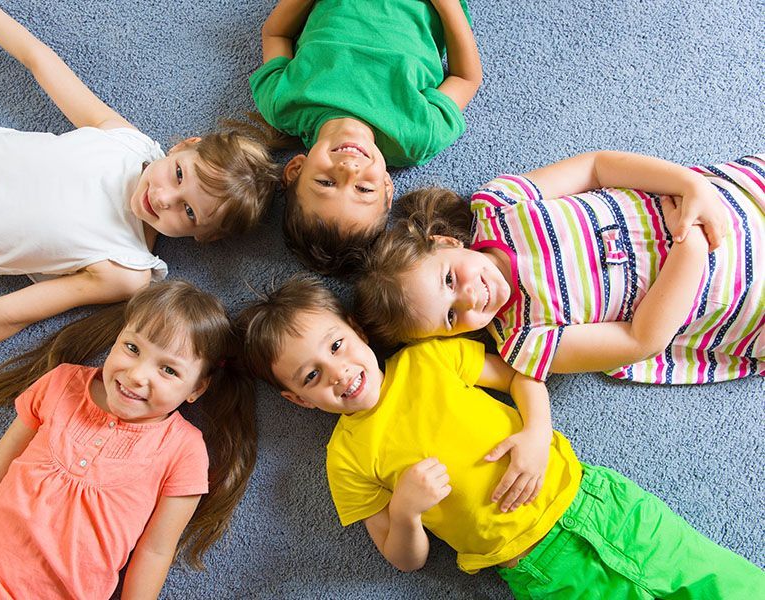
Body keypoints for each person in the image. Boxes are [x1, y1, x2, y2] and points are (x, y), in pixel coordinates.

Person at [237, 275, 765, 598]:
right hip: (538, 566)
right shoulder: (346, 459)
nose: (337, 373)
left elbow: (521, 373)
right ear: (299, 401)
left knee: (720, 580)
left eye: (336, 346)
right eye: (310, 377)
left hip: (596, 501)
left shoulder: (428, 358)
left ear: (355, 330)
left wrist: (537, 433)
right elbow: (403, 560)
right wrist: (405, 511)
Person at [0, 0, 280, 395]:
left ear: (203, 237)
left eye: (188, 212)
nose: (164, 198)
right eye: (178, 175)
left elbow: (11, 314)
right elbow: (40, 62)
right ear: (183, 146)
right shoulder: (127, 143)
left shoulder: (125, 267)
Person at [0, 280, 257, 599]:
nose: (138, 374)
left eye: (169, 370)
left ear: (196, 389)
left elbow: (155, 552)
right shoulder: (62, 383)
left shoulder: (184, 450)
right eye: (132, 348)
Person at [355, 151, 764, 384]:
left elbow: (597, 167)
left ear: (444, 242)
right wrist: (689, 246)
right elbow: (641, 340)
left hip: (728, 202)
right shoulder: (524, 341)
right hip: (736, 294)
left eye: (448, 279)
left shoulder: (499, 206)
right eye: (450, 317)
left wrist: (690, 186)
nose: (469, 298)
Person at [250, 0, 482, 275]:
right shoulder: (417, 134)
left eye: (326, 182)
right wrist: (448, 5)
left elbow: (276, 34)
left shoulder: (284, 104)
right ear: (386, 188)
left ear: (295, 169)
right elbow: (466, 78)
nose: (348, 169)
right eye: (363, 189)